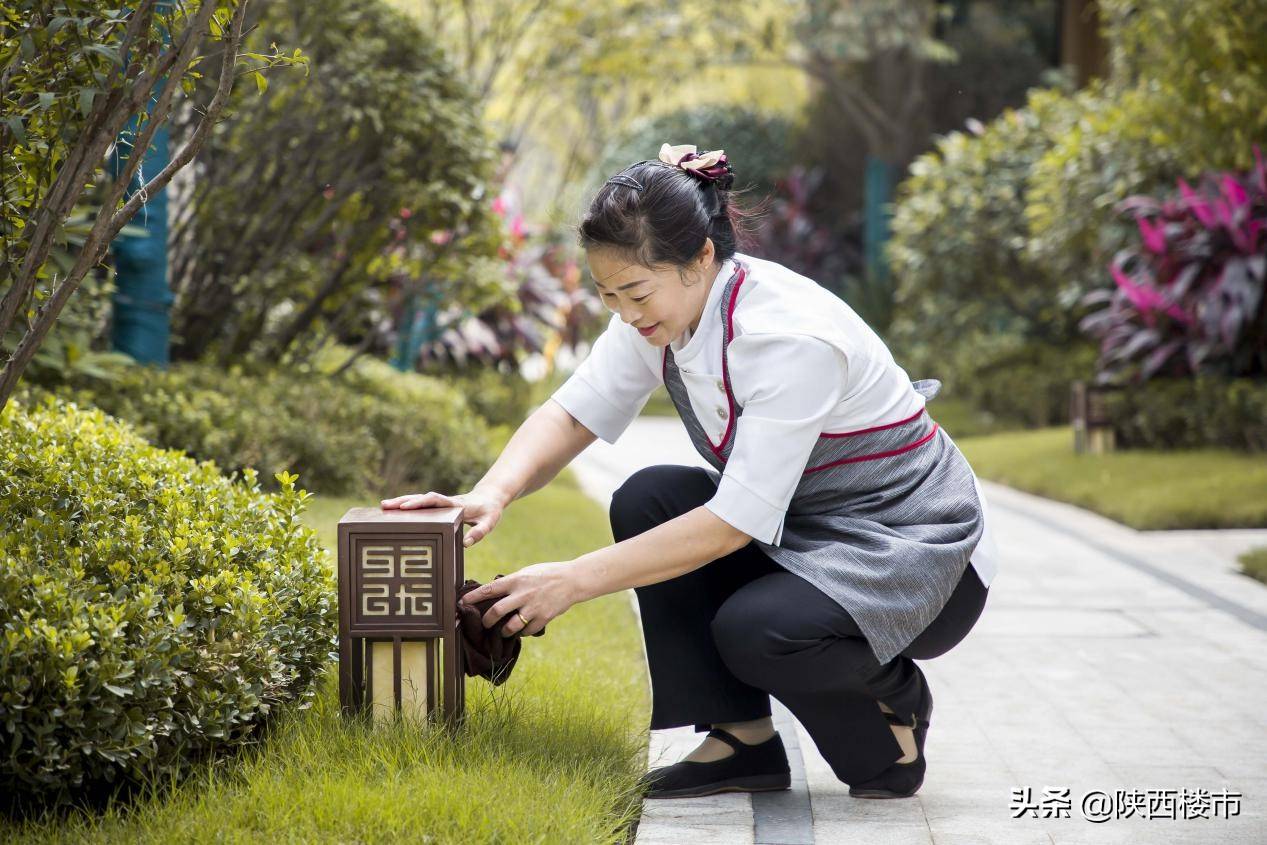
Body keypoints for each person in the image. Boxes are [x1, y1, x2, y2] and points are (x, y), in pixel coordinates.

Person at [381, 143, 1000, 801]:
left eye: (635, 292)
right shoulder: (664, 312)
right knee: (651, 496)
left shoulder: (789, 338)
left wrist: (569, 580)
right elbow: (571, 413)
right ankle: (741, 742)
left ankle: (892, 713)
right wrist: (491, 491)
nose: (625, 312)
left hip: (918, 554)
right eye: (608, 294)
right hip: (809, 528)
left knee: (756, 628)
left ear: (701, 256)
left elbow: (733, 523)